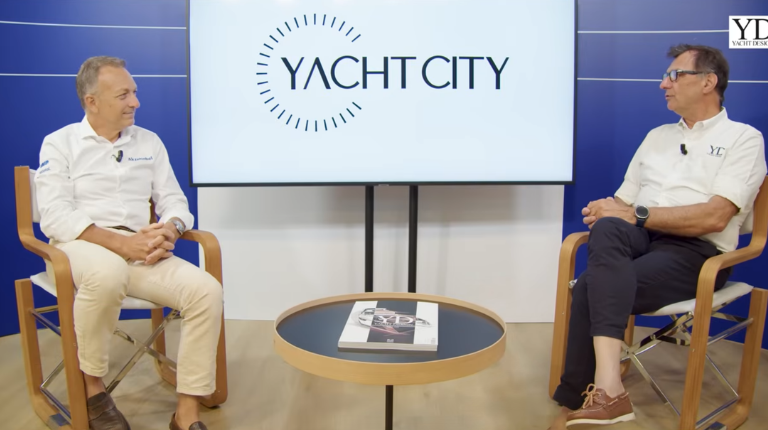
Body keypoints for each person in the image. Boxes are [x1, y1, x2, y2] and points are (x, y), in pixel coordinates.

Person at [547, 44, 766, 429]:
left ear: (708, 82)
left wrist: (634, 214)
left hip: (698, 254)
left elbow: (715, 217)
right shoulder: (657, 136)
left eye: (675, 75)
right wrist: (605, 207)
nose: (663, 83)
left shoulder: (743, 139)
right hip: (640, 240)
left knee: (590, 284)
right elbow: (624, 202)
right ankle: (609, 387)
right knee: (610, 228)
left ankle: (585, 393)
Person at [35, 56, 223, 430]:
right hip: (79, 247)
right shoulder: (60, 144)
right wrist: (120, 246)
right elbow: (54, 215)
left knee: (206, 290)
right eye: (123, 94)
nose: (135, 102)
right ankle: (93, 389)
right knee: (106, 273)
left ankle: (187, 410)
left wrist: (169, 227)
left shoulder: (148, 142)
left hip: (141, 249)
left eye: (134, 92)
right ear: (92, 101)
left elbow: (174, 201)